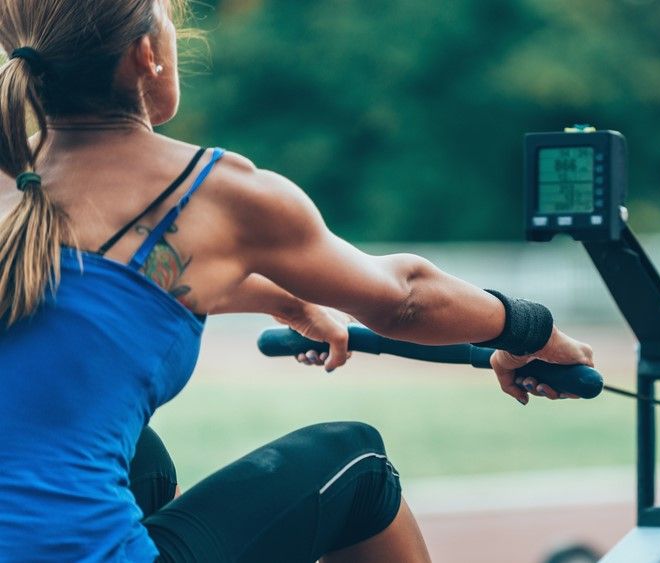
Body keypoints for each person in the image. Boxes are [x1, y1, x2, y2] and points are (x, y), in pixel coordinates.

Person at [0, 1, 595, 561]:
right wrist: (530, 332)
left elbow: (105, 289)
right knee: (358, 463)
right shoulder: (206, 192)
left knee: (144, 461)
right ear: (146, 54)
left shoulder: (15, 188)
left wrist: (289, 302)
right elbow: (404, 301)